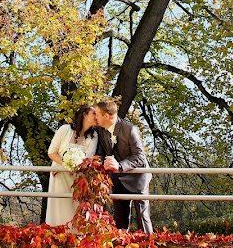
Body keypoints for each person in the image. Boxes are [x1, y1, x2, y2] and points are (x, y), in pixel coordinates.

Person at [94, 99, 153, 233]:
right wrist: (102, 162)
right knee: (120, 219)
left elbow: (140, 157)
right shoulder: (101, 130)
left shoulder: (130, 129)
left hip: (138, 179)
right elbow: (101, 153)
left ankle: (149, 247)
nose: (95, 117)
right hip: (117, 179)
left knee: (143, 218)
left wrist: (119, 165)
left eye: (97, 114)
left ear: (107, 116)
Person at [45, 104, 98, 226]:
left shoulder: (94, 136)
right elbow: (52, 152)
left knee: (75, 211)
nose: (97, 116)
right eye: (93, 113)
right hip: (60, 175)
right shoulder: (65, 129)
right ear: (85, 114)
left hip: (78, 179)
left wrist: (76, 167)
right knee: (59, 210)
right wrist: (65, 164)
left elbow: (88, 159)